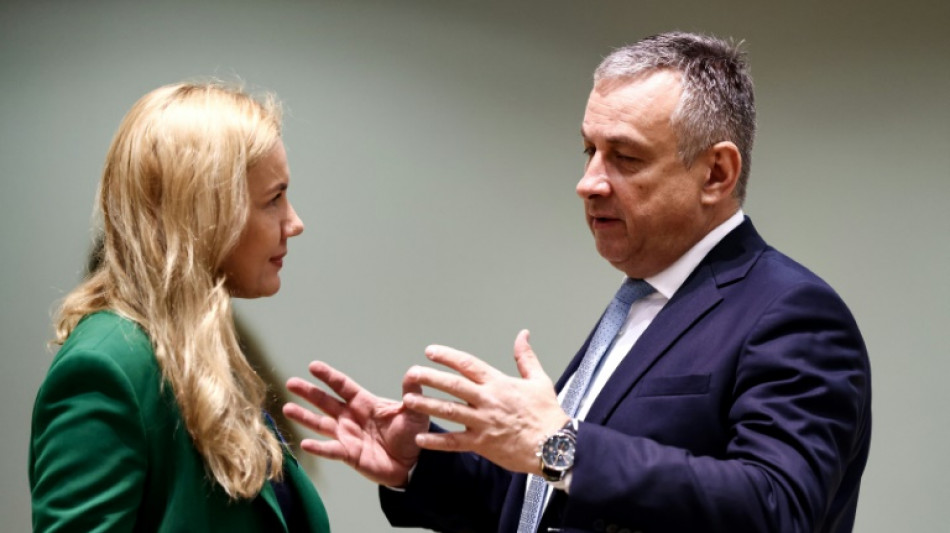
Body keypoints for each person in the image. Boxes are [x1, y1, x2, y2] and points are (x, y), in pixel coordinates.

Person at [283, 31, 871, 532]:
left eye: (625, 157)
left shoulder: (791, 313)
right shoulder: (642, 299)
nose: (588, 182)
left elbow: (777, 508)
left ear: (716, 173)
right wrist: (419, 463)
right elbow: (548, 504)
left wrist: (559, 444)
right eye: (589, 150)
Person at [29, 81, 331, 532]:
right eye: (274, 199)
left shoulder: (193, 347)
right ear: (204, 212)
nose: (295, 222)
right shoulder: (107, 367)